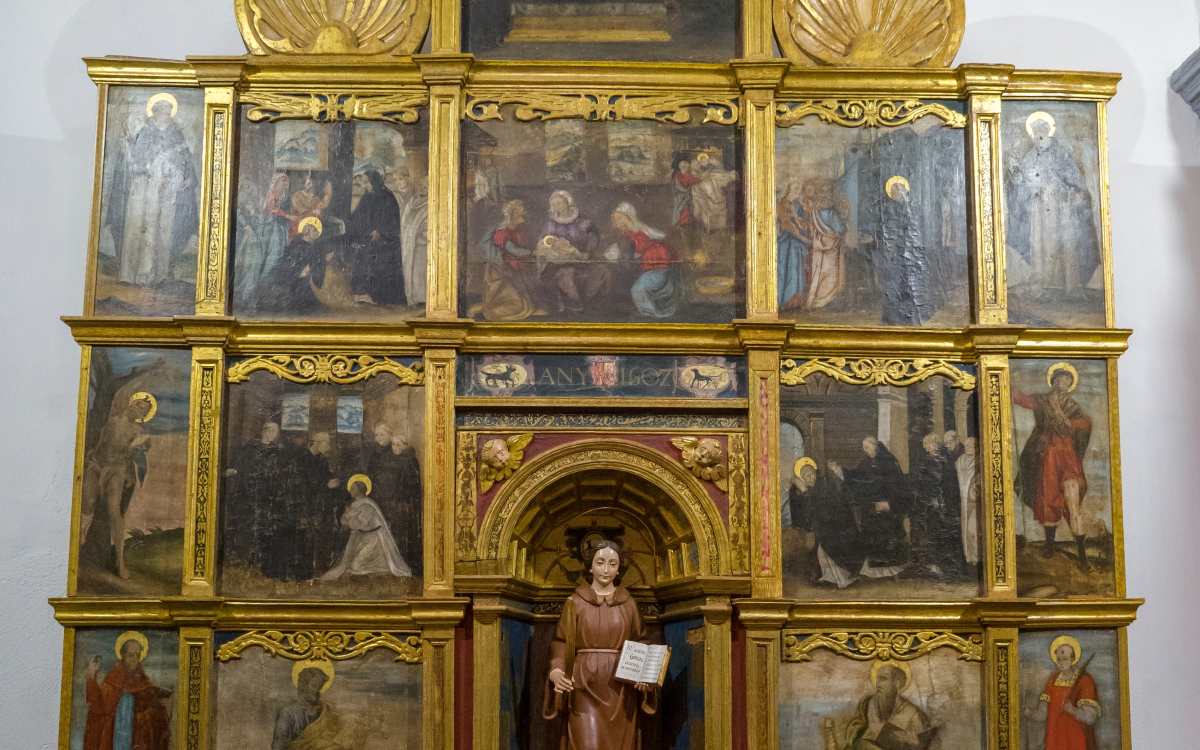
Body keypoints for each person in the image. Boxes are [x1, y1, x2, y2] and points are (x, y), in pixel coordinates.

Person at [545, 539, 657, 750]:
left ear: (618, 569)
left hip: (620, 688)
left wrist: (645, 676)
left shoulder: (628, 603)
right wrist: (557, 672)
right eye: (600, 562)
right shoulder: (575, 602)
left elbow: (641, 642)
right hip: (583, 684)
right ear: (590, 566)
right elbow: (560, 642)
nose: (606, 569)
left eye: (612, 564)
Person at [1005, 113, 1101, 299]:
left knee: (1064, 242)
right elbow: (1022, 182)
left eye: (1041, 131)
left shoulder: (1061, 152)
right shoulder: (1031, 155)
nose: (1037, 135)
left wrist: (1061, 185)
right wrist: (1015, 171)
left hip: (1060, 205)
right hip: (1038, 207)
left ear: (1049, 131)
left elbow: (1072, 176)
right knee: (1039, 244)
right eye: (1034, 132)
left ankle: (1070, 286)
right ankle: (1042, 283)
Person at [1014, 364, 1094, 570]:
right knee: (1049, 499)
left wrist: (1068, 420)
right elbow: (1022, 399)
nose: (1063, 383)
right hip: (1046, 456)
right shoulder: (1041, 400)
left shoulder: (1074, 407)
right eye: (1060, 379)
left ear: (1070, 384)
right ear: (1054, 381)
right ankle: (1049, 546)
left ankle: (1082, 555)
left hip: (1067, 458)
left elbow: (1082, 425)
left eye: (1067, 380)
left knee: (1072, 501)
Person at [114, 94, 198, 287]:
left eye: (169, 111)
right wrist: (149, 164)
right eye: (162, 110)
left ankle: (158, 274)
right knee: (141, 225)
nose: (166, 114)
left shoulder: (177, 134)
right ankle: (136, 273)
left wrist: (184, 175)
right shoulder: (145, 132)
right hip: (145, 187)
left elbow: (186, 162)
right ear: (155, 111)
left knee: (163, 229)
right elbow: (135, 160)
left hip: (168, 189)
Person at [80, 392, 155, 580]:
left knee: (115, 512)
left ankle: (120, 562)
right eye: (138, 404)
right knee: (87, 502)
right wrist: (91, 457)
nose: (140, 409)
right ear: (131, 404)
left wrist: (134, 464)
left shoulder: (139, 431)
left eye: (144, 409)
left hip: (117, 470)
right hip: (97, 464)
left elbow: (136, 455)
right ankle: (80, 537)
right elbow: (100, 443)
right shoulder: (113, 421)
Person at [82, 632, 171, 750]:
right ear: (122, 655)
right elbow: (98, 706)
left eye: (137, 655)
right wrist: (91, 677)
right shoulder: (112, 680)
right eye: (130, 655)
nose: (134, 659)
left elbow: (151, 702)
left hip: (136, 736)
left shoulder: (143, 681)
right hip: (114, 736)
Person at [840, 437, 912, 578]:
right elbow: (857, 475)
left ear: (875, 447)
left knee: (887, 537)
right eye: (864, 448)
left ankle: (893, 571)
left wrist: (889, 504)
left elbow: (898, 487)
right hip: (872, 507)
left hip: (887, 507)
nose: (864, 450)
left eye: (867, 447)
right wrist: (842, 472)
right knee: (872, 535)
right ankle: (875, 571)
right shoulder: (866, 462)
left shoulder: (889, 462)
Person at [223, 421, 290, 573]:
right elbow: (238, 467)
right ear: (264, 431)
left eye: (276, 431)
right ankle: (243, 559)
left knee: (265, 528)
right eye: (271, 430)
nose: (274, 434)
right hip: (248, 495)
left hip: (268, 497)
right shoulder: (249, 448)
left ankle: (260, 561)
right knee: (246, 527)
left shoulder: (278, 452)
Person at [789, 458, 864, 589]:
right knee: (820, 545)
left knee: (828, 542)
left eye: (812, 474)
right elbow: (803, 515)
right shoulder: (800, 491)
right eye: (806, 476)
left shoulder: (824, 485)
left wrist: (806, 493)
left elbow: (827, 510)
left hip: (836, 525)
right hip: (823, 527)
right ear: (802, 479)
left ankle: (842, 578)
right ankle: (831, 577)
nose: (811, 478)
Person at [322, 474, 412, 580]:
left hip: (373, 541)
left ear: (360, 489)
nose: (350, 490)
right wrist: (348, 517)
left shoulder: (368, 505)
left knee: (356, 566)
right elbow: (343, 521)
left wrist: (349, 517)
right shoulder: (354, 504)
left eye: (353, 488)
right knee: (349, 565)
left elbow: (358, 524)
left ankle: (382, 570)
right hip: (360, 538)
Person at [829, 662, 935, 750]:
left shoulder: (913, 714)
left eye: (883, 679)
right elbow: (856, 728)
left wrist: (900, 737)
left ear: (897, 683)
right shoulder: (868, 703)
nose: (878, 684)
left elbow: (920, 743)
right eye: (877, 679)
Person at [873, 176, 934, 325]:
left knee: (909, 284)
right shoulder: (886, 208)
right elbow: (884, 229)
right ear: (891, 192)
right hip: (892, 253)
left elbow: (915, 227)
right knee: (893, 285)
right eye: (895, 189)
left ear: (905, 191)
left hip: (907, 252)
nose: (898, 192)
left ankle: (911, 317)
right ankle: (892, 318)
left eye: (901, 189)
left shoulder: (910, 207)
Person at [539, 190, 612, 314]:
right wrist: (554, 249)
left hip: (582, 257)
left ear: (568, 203)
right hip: (559, 262)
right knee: (567, 274)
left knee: (602, 271)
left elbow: (594, 238)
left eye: (560, 203)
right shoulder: (550, 224)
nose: (557, 206)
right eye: (554, 204)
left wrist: (587, 252)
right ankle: (574, 304)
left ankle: (594, 303)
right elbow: (544, 241)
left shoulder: (583, 222)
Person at [1027, 636, 1100, 750]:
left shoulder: (1084, 680)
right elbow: (1043, 712)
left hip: (1076, 736)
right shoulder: (1053, 680)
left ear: (1073, 659)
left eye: (1065, 659)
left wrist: (1073, 710)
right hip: (1055, 737)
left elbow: (1091, 717)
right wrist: (1029, 713)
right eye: (1058, 659)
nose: (1061, 663)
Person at [610, 201, 682, 319]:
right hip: (648, 267)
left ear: (628, 218)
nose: (616, 223)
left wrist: (621, 254)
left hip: (658, 267)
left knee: (637, 289)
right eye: (615, 219)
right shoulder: (628, 233)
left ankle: (649, 314)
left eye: (619, 219)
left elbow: (637, 250)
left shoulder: (639, 233)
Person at [347, 169, 405, 306]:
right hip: (368, 238)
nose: (365, 186)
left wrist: (380, 231)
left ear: (375, 181)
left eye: (367, 182)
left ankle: (379, 296)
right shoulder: (367, 196)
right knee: (360, 255)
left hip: (386, 241)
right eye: (363, 183)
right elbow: (357, 216)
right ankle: (362, 294)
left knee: (377, 260)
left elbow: (394, 222)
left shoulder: (388, 197)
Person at [911, 433, 965, 577]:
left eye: (935, 443)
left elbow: (951, 482)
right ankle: (934, 565)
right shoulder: (924, 463)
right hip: (930, 505)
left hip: (946, 502)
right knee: (933, 533)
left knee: (948, 533)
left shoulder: (946, 461)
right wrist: (930, 499)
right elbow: (920, 485)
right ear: (925, 447)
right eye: (929, 444)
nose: (932, 446)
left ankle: (949, 565)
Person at [480, 199, 538, 321]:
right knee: (517, 304)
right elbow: (513, 250)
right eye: (519, 214)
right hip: (502, 270)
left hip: (514, 266)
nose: (522, 217)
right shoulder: (501, 232)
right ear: (512, 215)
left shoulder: (518, 229)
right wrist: (533, 253)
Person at [296, 431, 343, 578]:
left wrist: (334, 481)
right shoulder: (302, 459)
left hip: (323, 505)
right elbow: (303, 485)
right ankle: (305, 571)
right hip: (308, 506)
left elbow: (327, 477)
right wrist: (326, 485)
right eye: (327, 443)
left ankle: (321, 569)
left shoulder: (323, 459)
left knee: (324, 536)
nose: (329, 446)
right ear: (317, 443)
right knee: (308, 538)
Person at [272, 662, 351, 749]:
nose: (317, 690)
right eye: (314, 686)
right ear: (303, 685)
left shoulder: (325, 710)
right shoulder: (288, 713)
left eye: (320, 687)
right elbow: (279, 745)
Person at [395, 167, 429, 306]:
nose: (424, 189)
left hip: (423, 247)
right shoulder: (413, 202)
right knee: (412, 273)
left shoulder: (431, 204)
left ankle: (423, 300)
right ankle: (414, 298)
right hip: (411, 245)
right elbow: (406, 222)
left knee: (420, 275)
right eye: (423, 186)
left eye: (427, 186)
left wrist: (422, 236)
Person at [777, 179, 812, 311]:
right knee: (789, 271)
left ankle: (796, 301)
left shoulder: (795, 205)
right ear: (788, 190)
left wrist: (804, 222)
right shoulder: (782, 204)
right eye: (795, 188)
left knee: (797, 271)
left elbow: (799, 222)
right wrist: (803, 239)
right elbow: (787, 226)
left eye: (799, 188)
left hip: (796, 245)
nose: (798, 191)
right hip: (787, 245)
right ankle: (786, 301)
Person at [954, 436, 981, 567]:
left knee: (973, 530)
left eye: (971, 446)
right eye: (966, 446)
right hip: (963, 501)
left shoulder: (980, 460)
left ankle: (978, 558)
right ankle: (969, 558)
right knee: (966, 531)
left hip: (976, 501)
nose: (968, 448)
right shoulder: (960, 460)